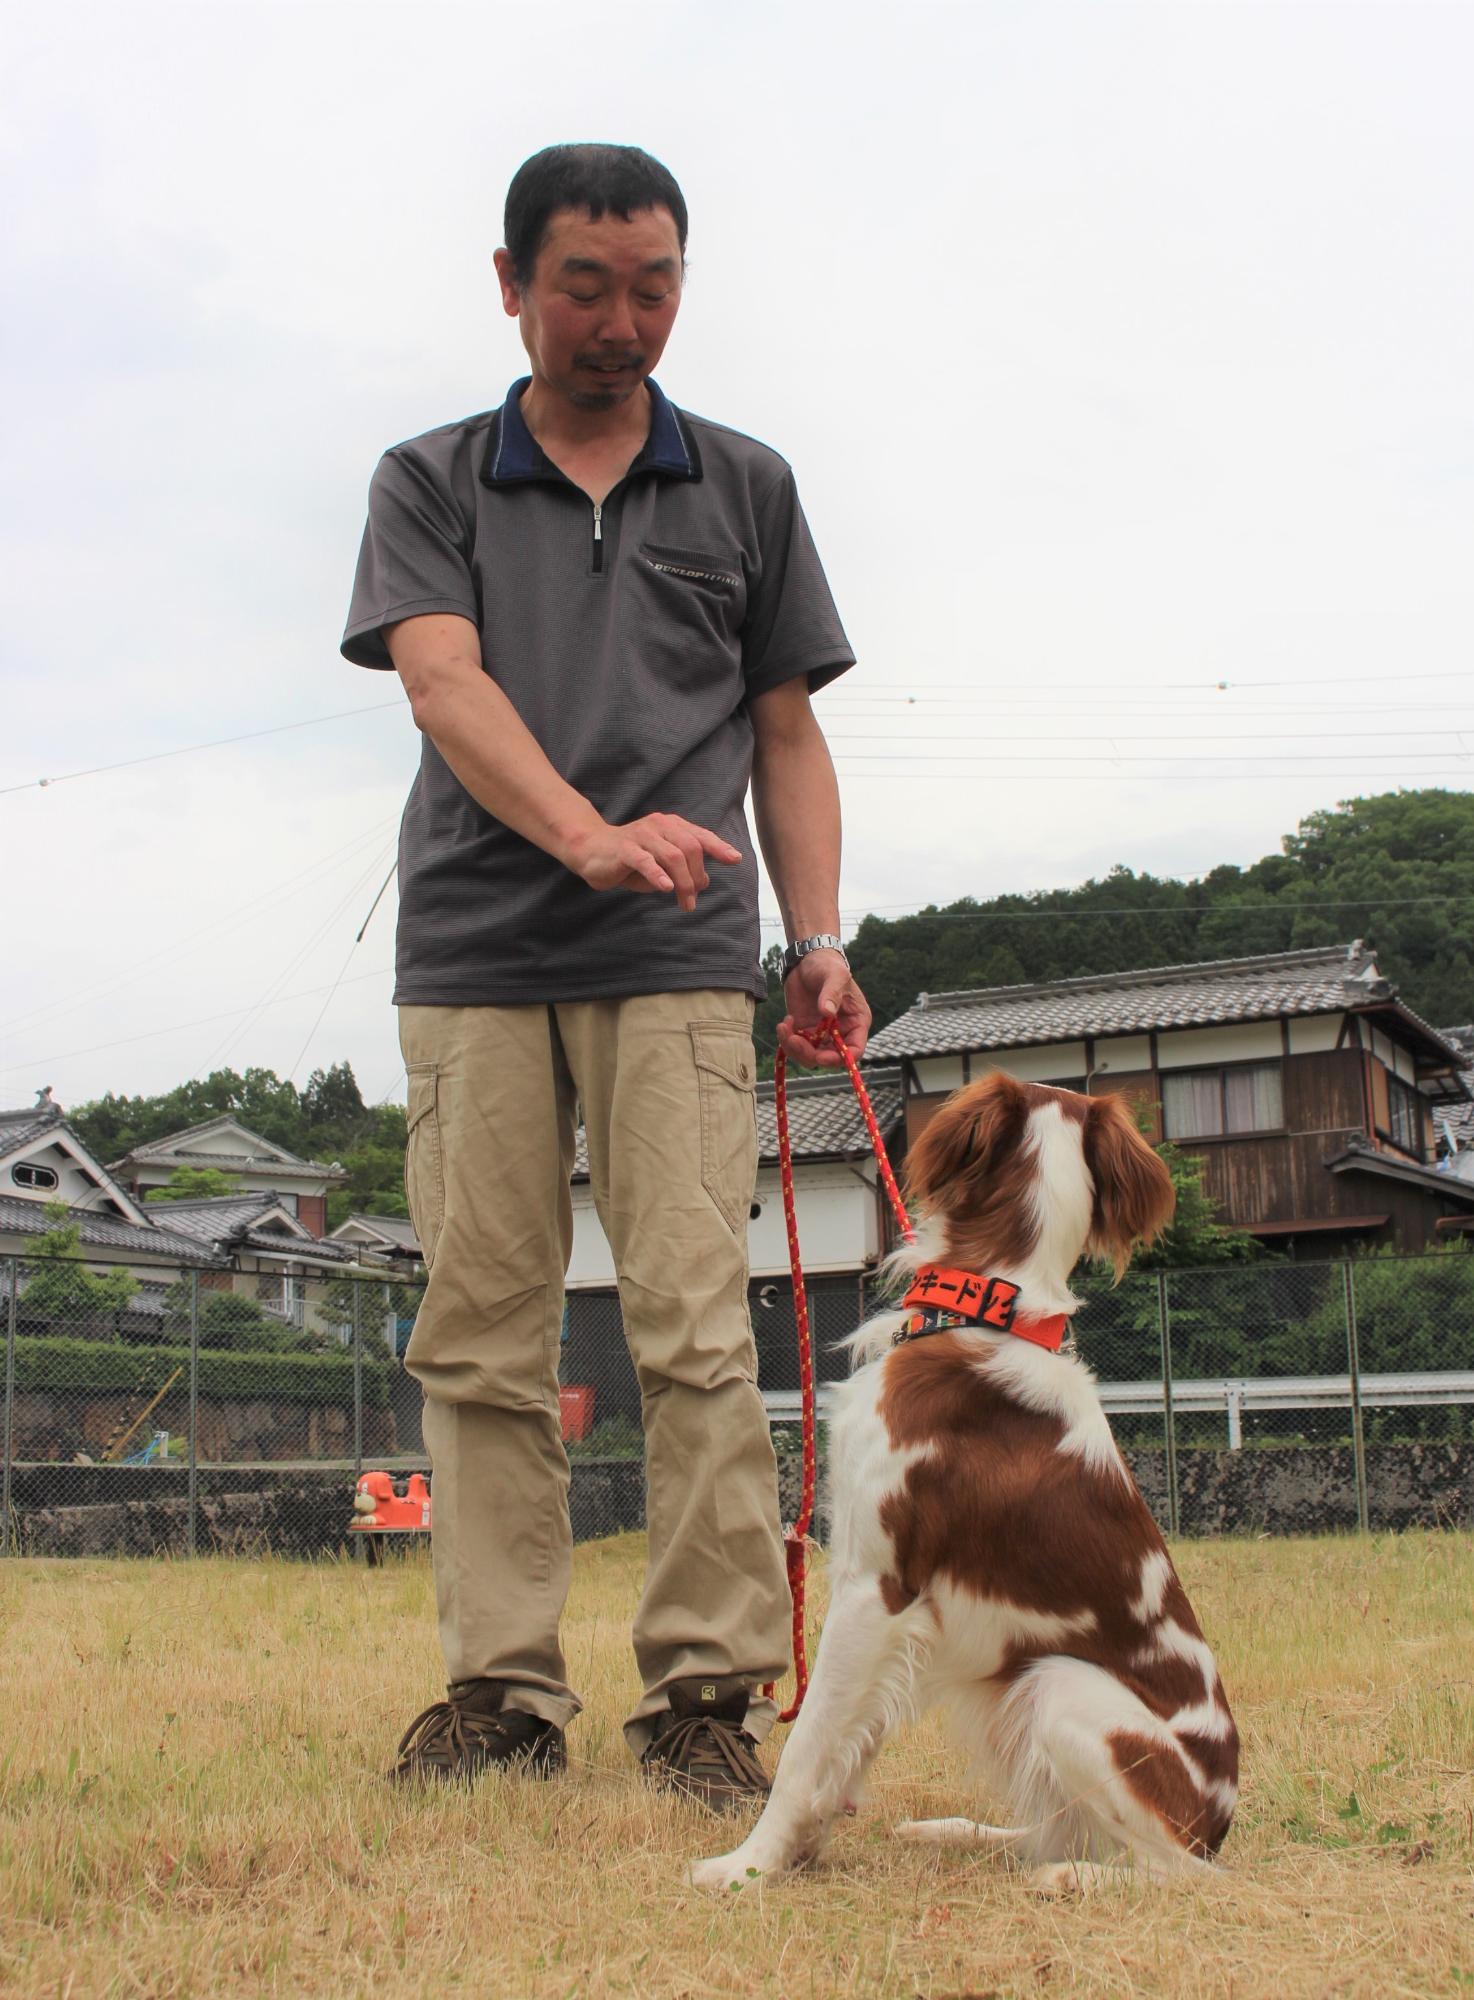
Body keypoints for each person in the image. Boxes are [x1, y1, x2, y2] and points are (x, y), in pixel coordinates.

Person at [341, 143, 870, 1811]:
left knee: (697, 1324)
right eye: (586, 285)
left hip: (681, 961)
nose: (622, 321)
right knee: (481, 1331)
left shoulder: (747, 486)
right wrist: (584, 835)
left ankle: (705, 1692)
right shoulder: (428, 479)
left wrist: (824, 935)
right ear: (510, 283)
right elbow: (440, 681)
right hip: (481, 955)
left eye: (655, 287)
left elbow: (786, 725)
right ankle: (500, 1691)